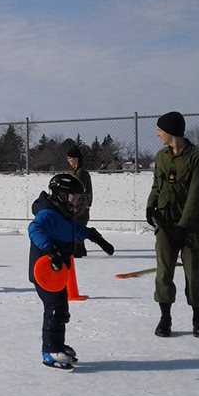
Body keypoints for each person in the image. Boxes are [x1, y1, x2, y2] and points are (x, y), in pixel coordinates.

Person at [28, 174, 115, 371]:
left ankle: (57, 345)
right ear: (62, 196)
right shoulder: (48, 214)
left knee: (61, 309)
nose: (77, 202)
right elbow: (34, 229)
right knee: (54, 309)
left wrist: (93, 236)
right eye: (75, 197)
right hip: (45, 273)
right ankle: (49, 352)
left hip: (57, 274)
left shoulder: (62, 214)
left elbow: (73, 228)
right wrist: (51, 251)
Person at [145, 111, 199, 338]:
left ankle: (198, 318)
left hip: (189, 226)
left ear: (171, 131)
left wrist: (183, 227)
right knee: (164, 272)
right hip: (164, 222)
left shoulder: (197, 158)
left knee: (194, 273)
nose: (157, 134)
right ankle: (165, 318)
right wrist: (150, 205)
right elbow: (157, 184)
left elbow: (196, 196)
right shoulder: (162, 157)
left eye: (160, 130)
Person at [64, 145, 93, 257]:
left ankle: (78, 250)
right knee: (78, 227)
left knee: (77, 227)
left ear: (77, 158)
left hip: (80, 207)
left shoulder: (80, 173)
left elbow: (77, 191)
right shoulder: (76, 172)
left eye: (70, 158)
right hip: (81, 207)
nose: (69, 161)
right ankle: (80, 248)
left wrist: (72, 205)